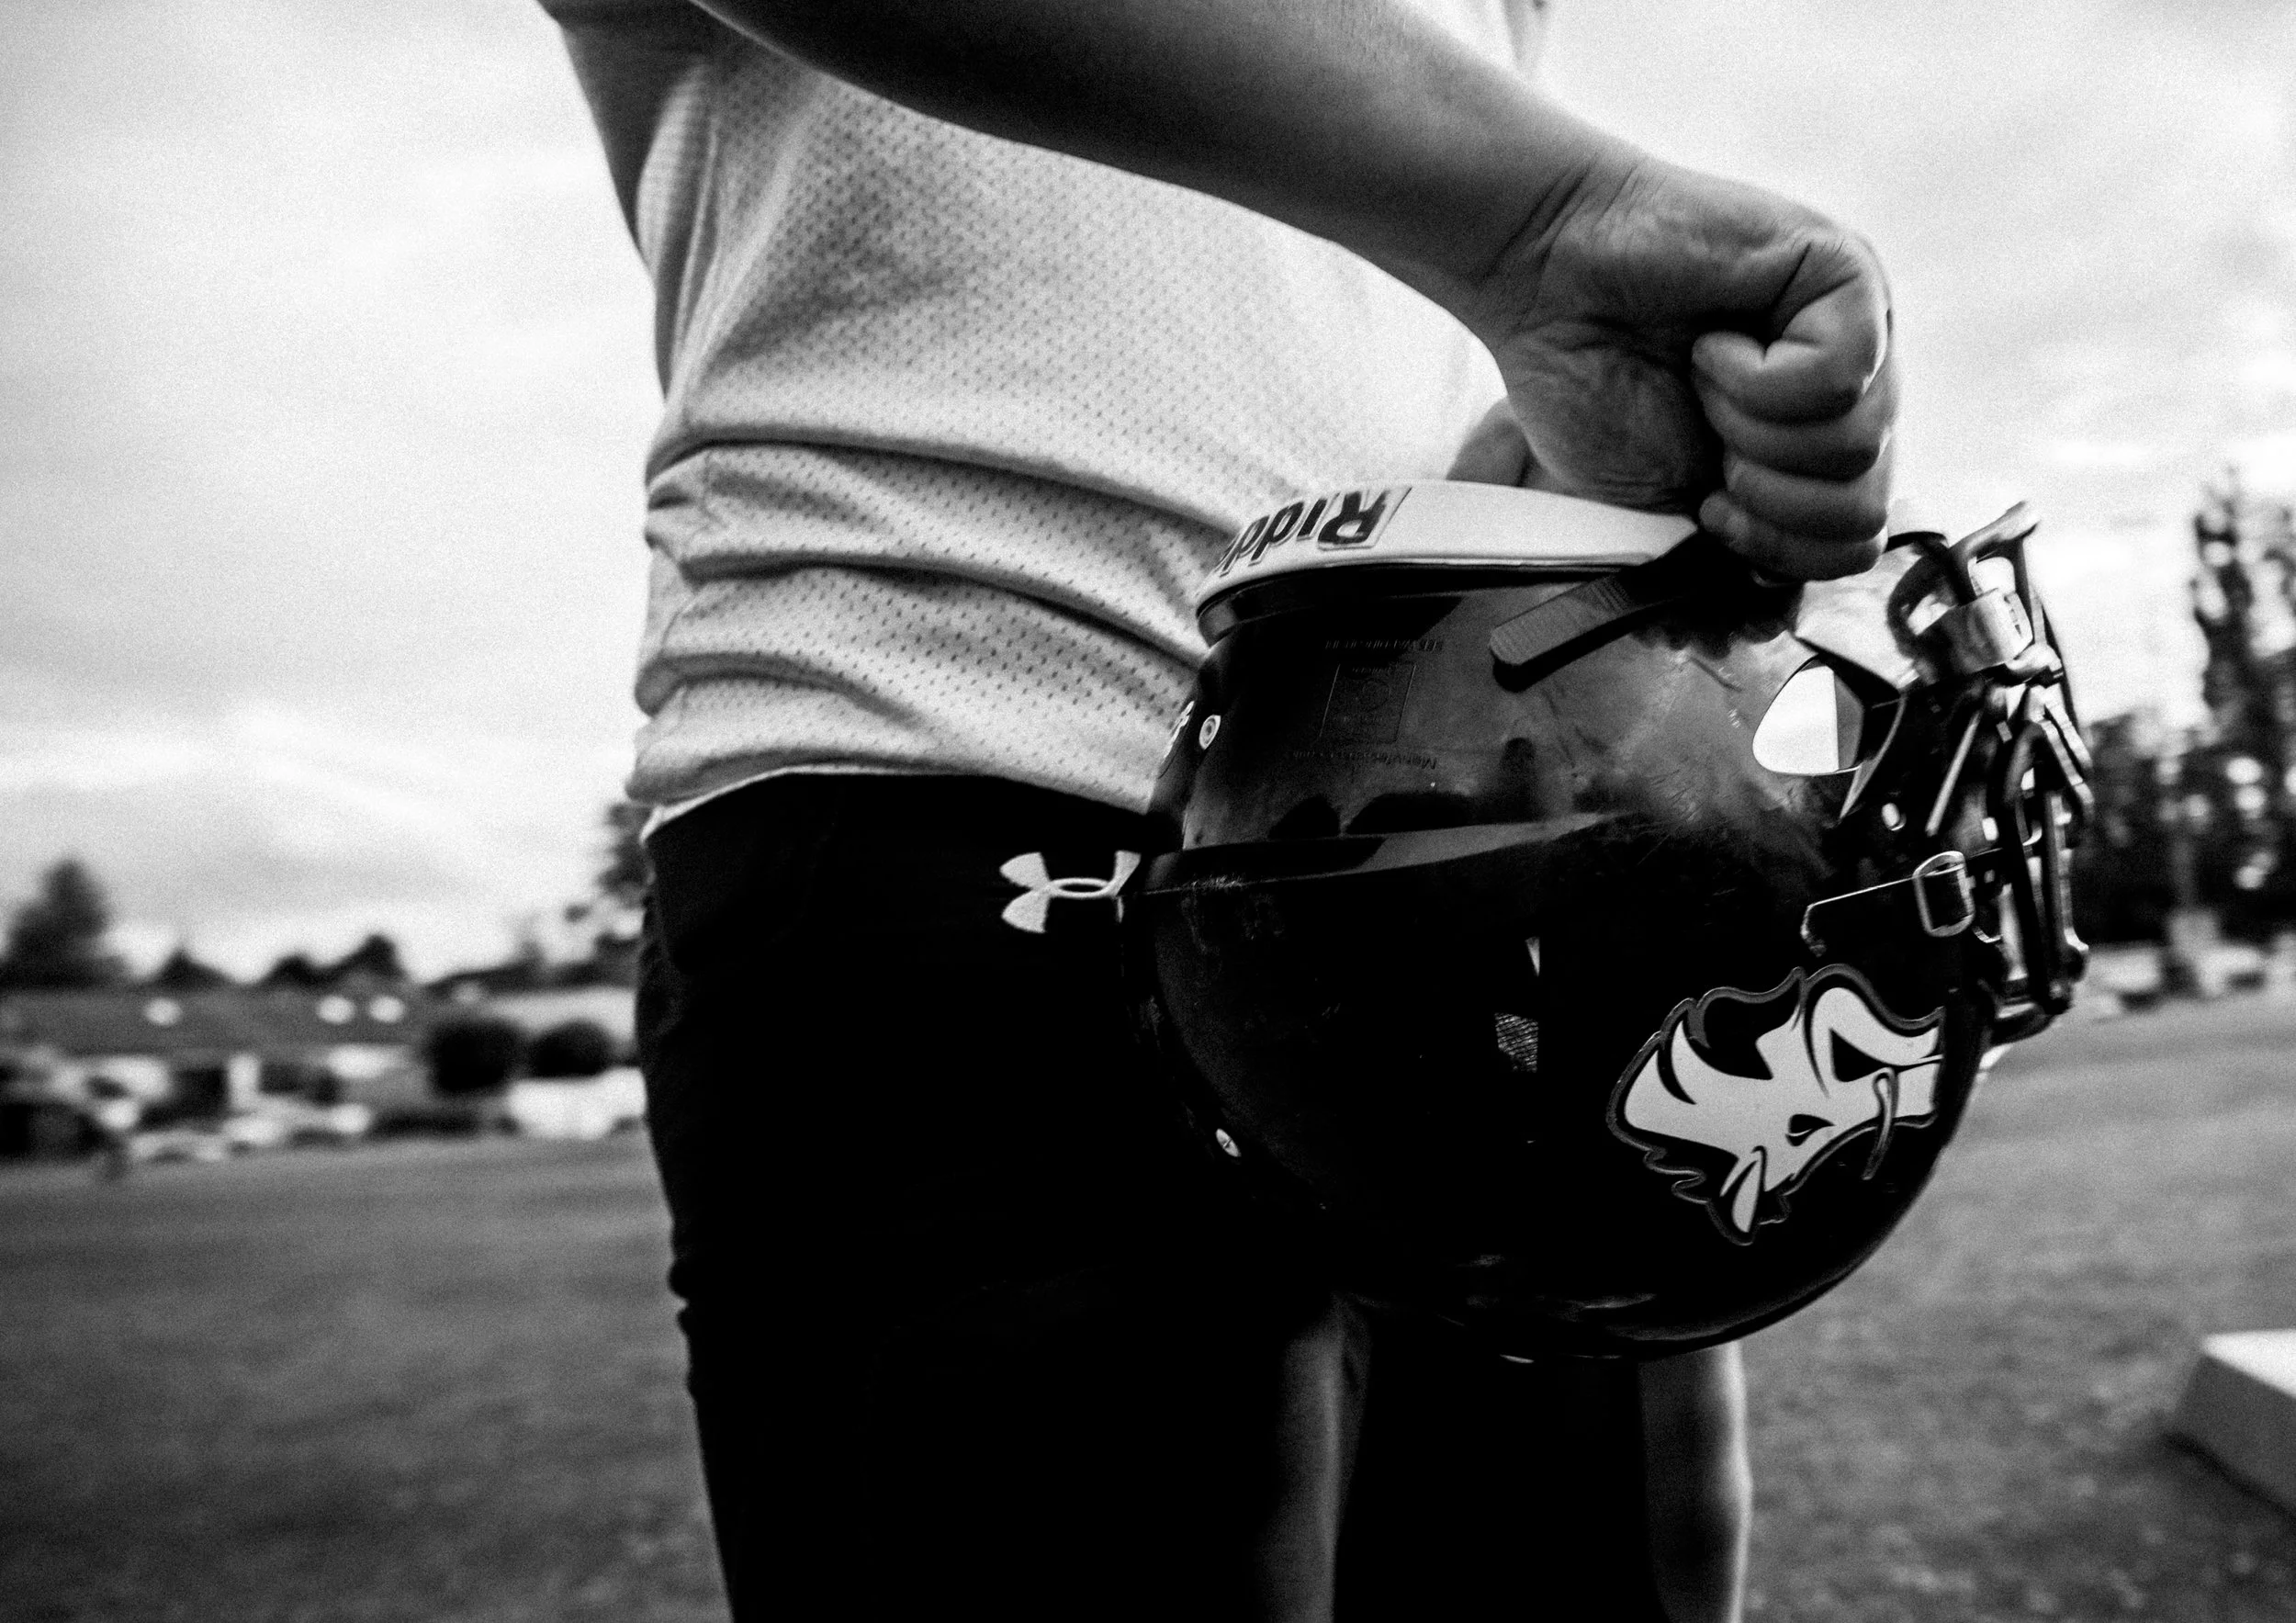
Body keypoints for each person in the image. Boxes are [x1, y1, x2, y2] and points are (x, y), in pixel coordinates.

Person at [540, 2, 1896, 1617]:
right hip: (968, 767)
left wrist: (1546, 539)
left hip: (1453, 843)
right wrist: (1547, 222)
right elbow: (1494, 224)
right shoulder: (1537, 208)